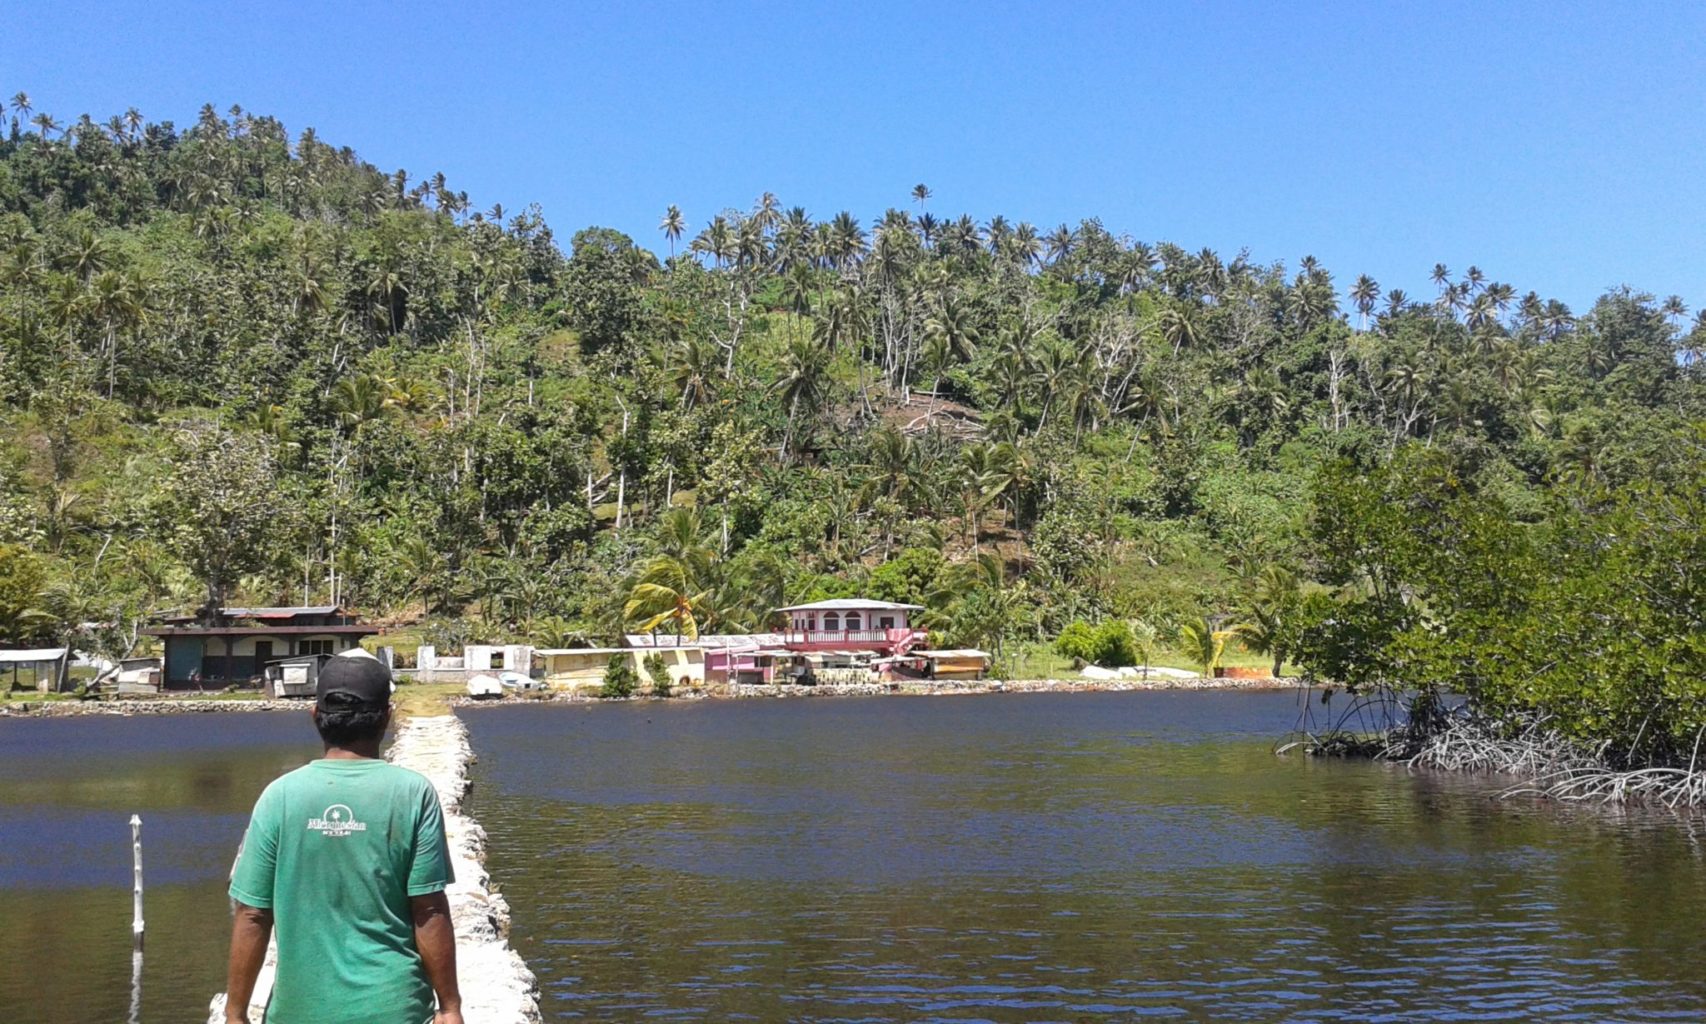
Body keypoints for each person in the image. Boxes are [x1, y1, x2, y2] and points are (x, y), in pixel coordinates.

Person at [223, 653, 463, 1024]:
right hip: (393, 1009)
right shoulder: (413, 794)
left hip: (298, 1012)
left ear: (315, 717)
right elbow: (428, 910)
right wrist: (449, 1007)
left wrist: (235, 1014)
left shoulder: (280, 796)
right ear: (387, 716)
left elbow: (253, 913)